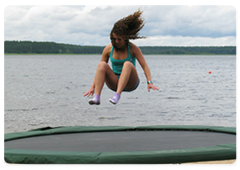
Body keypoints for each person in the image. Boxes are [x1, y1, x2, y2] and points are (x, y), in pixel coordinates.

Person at [83, 10, 159, 105]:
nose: (117, 41)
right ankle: (97, 97)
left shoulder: (133, 48)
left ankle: (117, 96)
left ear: (125, 38)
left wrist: (149, 82)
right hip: (114, 81)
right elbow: (100, 71)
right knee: (102, 64)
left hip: (131, 83)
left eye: (119, 39)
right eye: (114, 39)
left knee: (127, 64)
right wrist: (92, 87)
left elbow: (144, 66)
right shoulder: (108, 49)